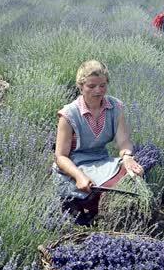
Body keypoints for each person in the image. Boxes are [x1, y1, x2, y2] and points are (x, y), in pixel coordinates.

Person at [53, 60, 144, 224]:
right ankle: (76, 205)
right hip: (75, 165)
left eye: (102, 85)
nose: (98, 90)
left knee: (134, 174)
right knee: (104, 190)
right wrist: (79, 176)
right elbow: (60, 157)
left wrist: (127, 158)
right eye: (91, 86)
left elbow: (124, 141)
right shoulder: (69, 114)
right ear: (81, 87)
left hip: (102, 161)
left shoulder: (115, 107)